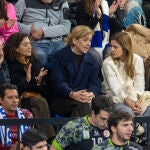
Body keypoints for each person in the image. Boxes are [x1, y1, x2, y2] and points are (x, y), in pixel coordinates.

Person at [3, 32, 55, 139]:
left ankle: (38, 141)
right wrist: (26, 80)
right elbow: (12, 91)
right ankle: (48, 139)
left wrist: (38, 81)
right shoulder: (10, 65)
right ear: (16, 49)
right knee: (40, 102)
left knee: (37, 108)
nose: (30, 47)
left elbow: (45, 90)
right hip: (19, 100)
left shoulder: (35, 62)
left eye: (30, 44)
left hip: (35, 99)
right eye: (25, 45)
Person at [50, 25, 101, 117]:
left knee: (100, 103)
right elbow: (58, 82)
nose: (89, 43)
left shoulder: (92, 59)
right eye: (85, 40)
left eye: (90, 40)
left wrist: (91, 94)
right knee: (82, 105)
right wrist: (71, 94)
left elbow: (95, 83)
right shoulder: (59, 56)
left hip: (84, 99)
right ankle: (82, 131)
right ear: (74, 40)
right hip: (63, 98)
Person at [102, 31, 150, 117]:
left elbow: (140, 85)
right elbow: (116, 89)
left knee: (148, 112)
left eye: (115, 47)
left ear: (125, 48)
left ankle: (144, 131)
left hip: (135, 98)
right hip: (117, 99)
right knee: (128, 113)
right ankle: (134, 130)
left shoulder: (137, 60)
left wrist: (137, 102)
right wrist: (130, 104)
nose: (111, 49)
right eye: (111, 46)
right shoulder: (107, 63)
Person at [15, 0, 71, 65]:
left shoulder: (62, 3)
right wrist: (28, 29)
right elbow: (11, 22)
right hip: (34, 42)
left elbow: (66, 27)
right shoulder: (23, 1)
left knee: (66, 55)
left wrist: (43, 31)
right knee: (40, 57)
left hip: (57, 42)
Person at [0, 84, 33, 150]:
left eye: (16, 97)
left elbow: (32, 139)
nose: (15, 101)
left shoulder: (27, 114)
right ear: (1, 100)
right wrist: (10, 148)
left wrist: (24, 146)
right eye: (10, 97)